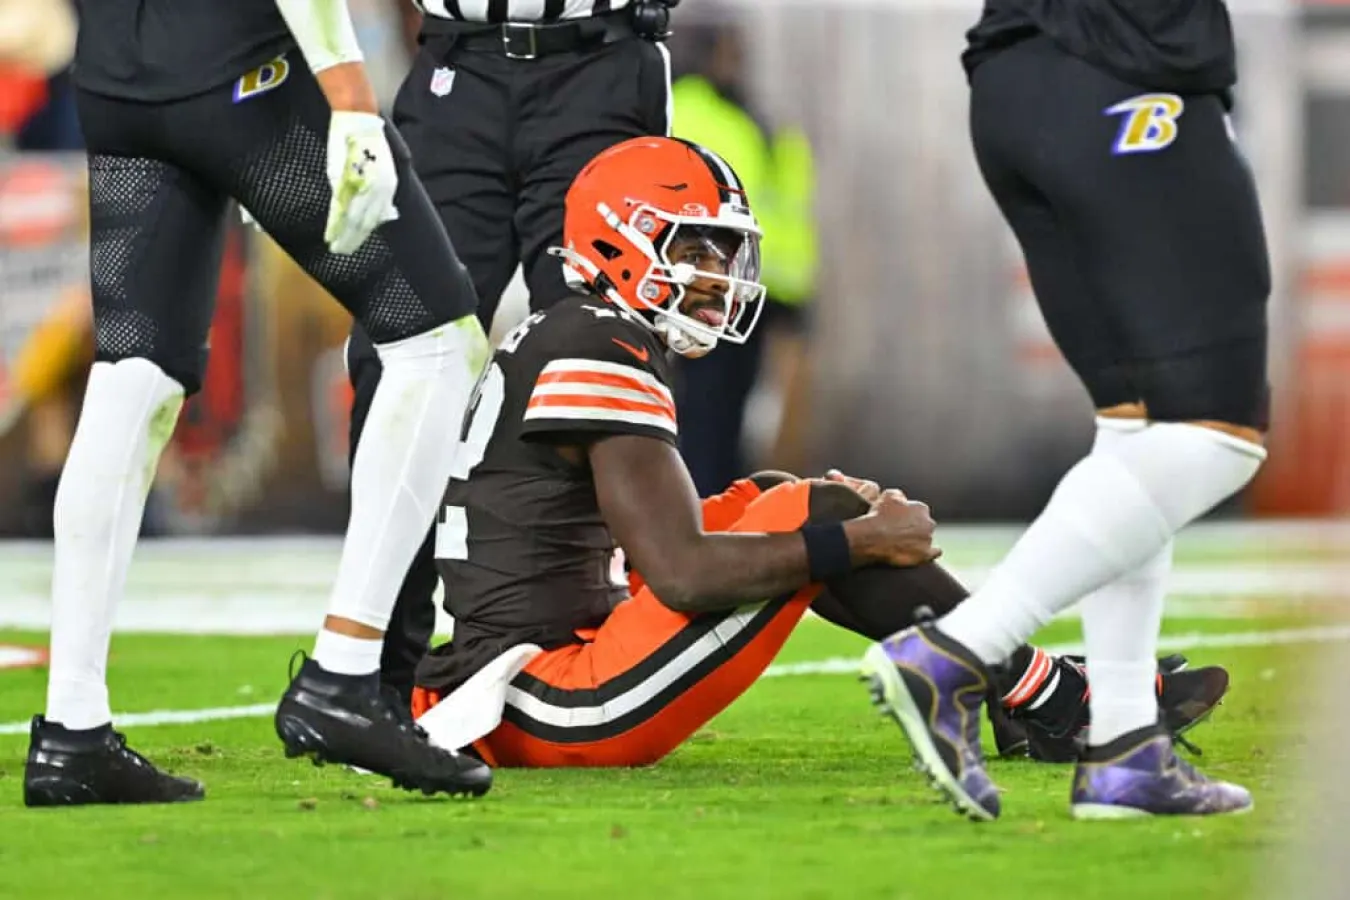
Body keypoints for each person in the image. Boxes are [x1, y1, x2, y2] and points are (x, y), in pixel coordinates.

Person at [403, 136, 1228, 769]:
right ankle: (1042, 696)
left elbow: (643, 545)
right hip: (551, 699)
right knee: (819, 515)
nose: (716, 275)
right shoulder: (602, 344)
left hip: (522, 680)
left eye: (723, 254)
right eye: (694, 250)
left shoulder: (571, 326)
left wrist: (825, 530)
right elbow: (684, 573)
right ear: (624, 242)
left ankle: (1026, 692)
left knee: (773, 492)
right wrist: (858, 540)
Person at [23, 0, 494, 808]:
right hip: (236, 63)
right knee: (439, 340)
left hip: (115, 75)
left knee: (133, 373)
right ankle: (343, 677)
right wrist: (349, 93)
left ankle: (72, 731)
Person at [860, 0, 1269, 820]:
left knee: (1139, 428)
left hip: (1015, 81)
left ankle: (1123, 750)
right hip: (1127, 70)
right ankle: (959, 651)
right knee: (1217, 436)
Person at [346, 0, 681, 709]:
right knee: (395, 350)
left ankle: (567, 636)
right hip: (453, 69)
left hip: (602, 64)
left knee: (590, 348)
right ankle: (374, 665)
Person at [667, 18, 817, 498]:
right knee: (708, 410)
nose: (736, 63)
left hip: (752, 288)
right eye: (727, 52)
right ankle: (699, 510)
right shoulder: (694, 112)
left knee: (727, 410)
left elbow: (782, 211)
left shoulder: (747, 118)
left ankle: (714, 507)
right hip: (709, 288)